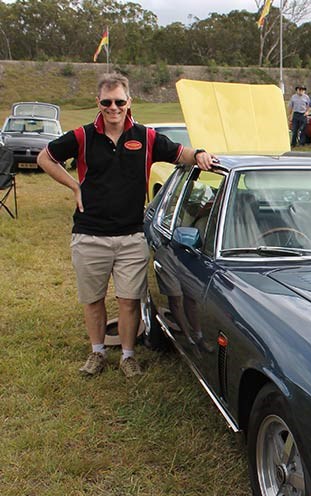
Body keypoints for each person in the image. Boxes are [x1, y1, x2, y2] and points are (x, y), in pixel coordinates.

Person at [37, 72, 216, 378]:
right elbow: (45, 158)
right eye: (107, 102)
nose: (113, 108)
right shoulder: (81, 136)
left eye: (119, 101)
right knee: (92, 301)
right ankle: (97, 353)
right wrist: (74, 186)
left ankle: (128, 356)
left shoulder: (145, 137)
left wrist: (198, 153)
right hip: (89, 235)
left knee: (129, 301)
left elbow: (178, 154)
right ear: (98, 102)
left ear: (129, 101)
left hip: (131, 236)